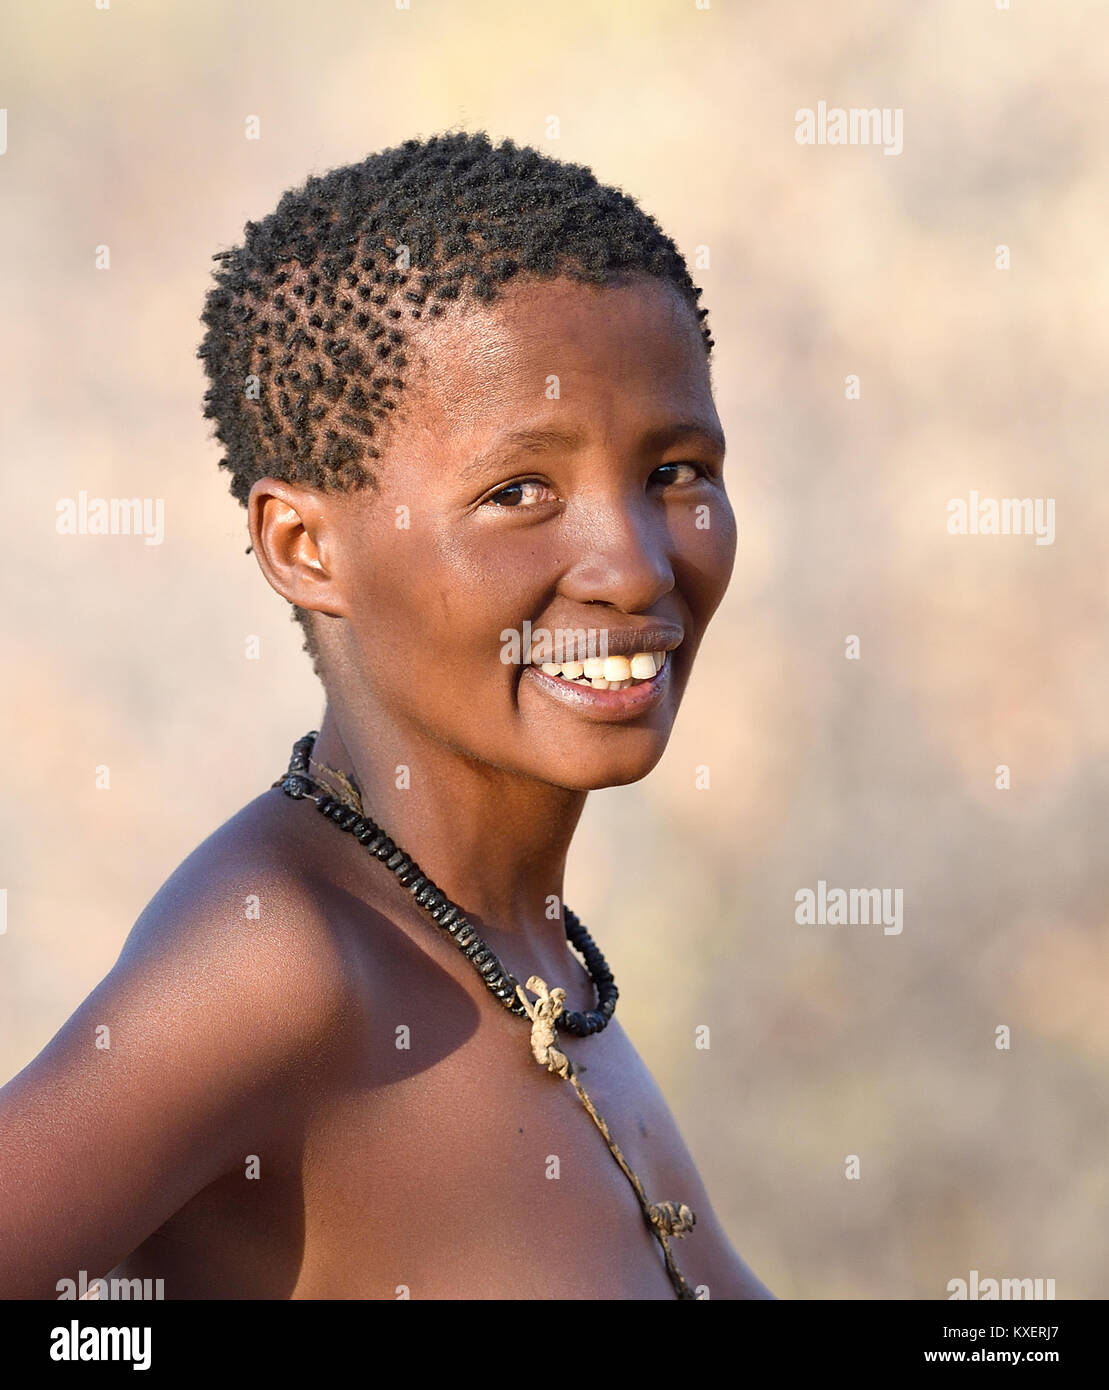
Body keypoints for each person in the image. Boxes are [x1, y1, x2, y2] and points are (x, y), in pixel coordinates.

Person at [0, 131, 773, 1300]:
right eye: (519, 491)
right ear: (306, 548)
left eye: (675, 471)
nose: (631, 563)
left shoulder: (530, 962)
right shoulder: (283, 962)